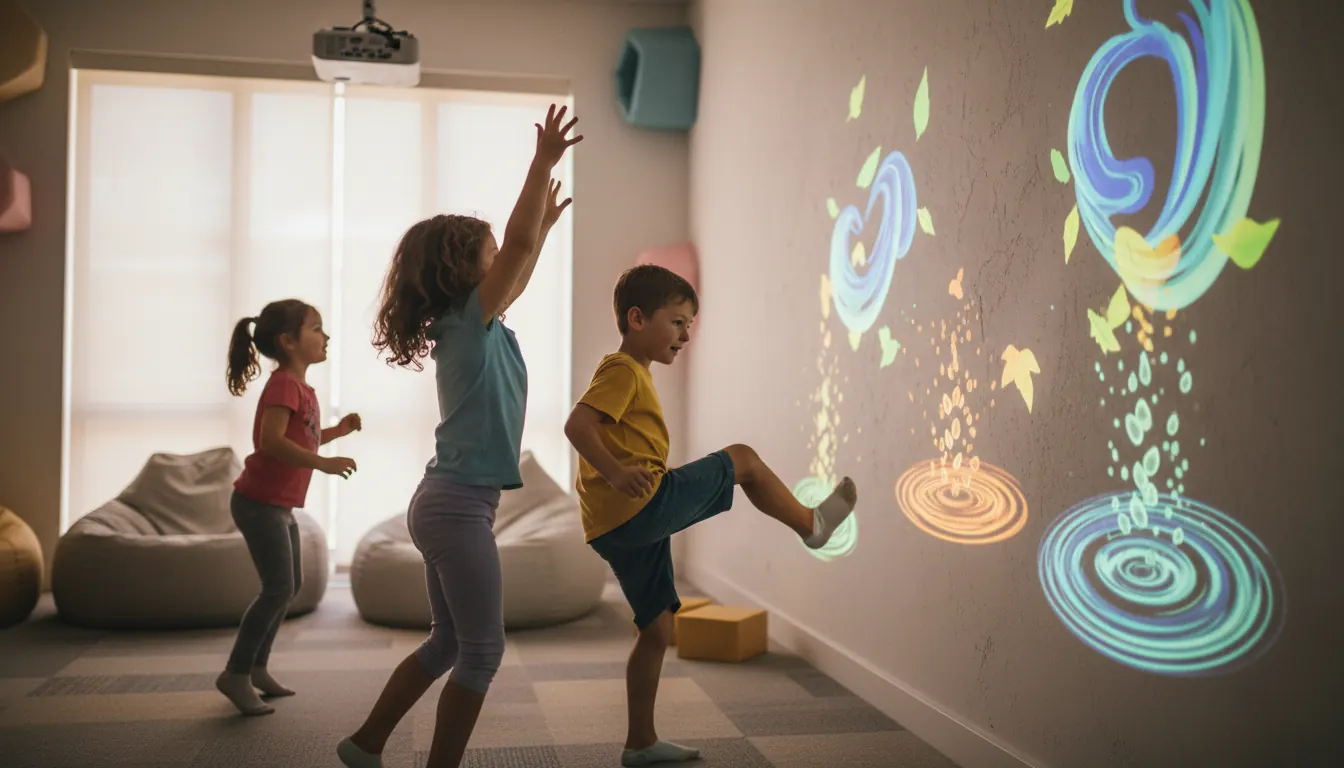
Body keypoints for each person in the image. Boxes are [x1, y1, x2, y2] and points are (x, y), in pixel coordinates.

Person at [337, 103, 581, 768]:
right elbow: (521, 249)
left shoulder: (480, 324)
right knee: (483, 651)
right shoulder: (464, 324)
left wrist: (540, 234)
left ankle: (363, 745)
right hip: (455, 506)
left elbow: (522, 264)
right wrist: (540, 166)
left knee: (448, 644)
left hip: (449, 502)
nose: (504, 258)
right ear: (461, 269)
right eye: (491, 253)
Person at [564, 264, 858, 767]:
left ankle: (640, 742)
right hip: (637, 508)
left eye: (690, 324)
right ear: (637, 319)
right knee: (743, 458)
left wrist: (625, 473)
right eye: (677, 322)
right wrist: (615, 474)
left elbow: (616, 437)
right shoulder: (622, 370)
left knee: (656, 631)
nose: (686, 334)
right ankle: (812, 526)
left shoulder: (630, 374)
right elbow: (577, 425)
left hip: (615, 525)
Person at [217, 299, 361, 716]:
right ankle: (236, 673)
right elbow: (271, 442)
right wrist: (324, 465)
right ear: (288, 341)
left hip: (278, 506)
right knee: (277, 588)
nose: (326, 335)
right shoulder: (283, 385)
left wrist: (339, 431)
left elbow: (305, 438)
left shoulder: (302, 389)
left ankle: (257, 668)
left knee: (289, 585)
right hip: (258, 503)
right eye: (316, 328)